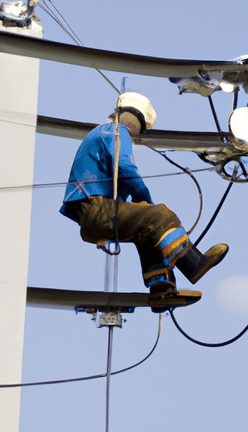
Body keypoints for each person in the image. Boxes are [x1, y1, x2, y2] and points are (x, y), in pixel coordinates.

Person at [59, 91, 228, 294]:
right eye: (140, 128)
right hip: (96, 210)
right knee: (159, 215)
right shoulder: (115, 130)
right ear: (134, 120)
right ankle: (193, 264)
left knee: (147, 233)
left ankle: (160, 286)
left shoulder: (102, 133)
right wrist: (146, 201)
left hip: (91, 217)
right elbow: (125, 168)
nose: (138, 134)